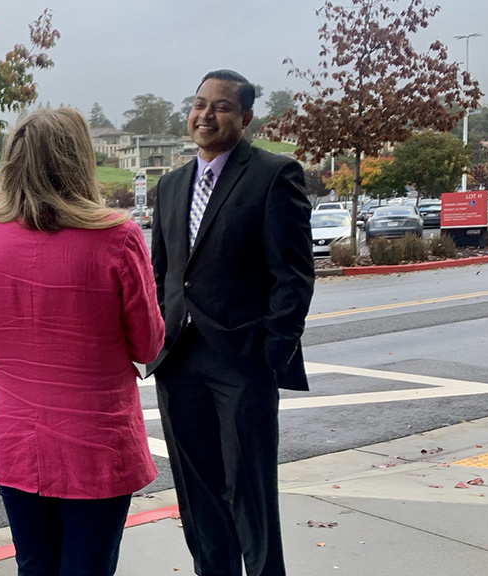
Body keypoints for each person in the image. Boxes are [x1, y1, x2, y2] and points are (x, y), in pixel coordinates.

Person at [0, 107, 165, 576]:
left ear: (11, 162)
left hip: (17, 440)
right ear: (79, 161)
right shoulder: (117, 237)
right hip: (97, 441)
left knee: (34, 566)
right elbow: (148, 346)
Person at [147, 70, 314, 576]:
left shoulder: (273, 174)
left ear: (244, 118)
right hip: (180, 360)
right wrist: (158, 331)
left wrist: (272, 348)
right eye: (199, 104)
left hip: (243, 361)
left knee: (250, 494)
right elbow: (163, 272)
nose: (206, 114)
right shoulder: (171, 185)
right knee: (197, 496)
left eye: (220, 107)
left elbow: (293, 275)